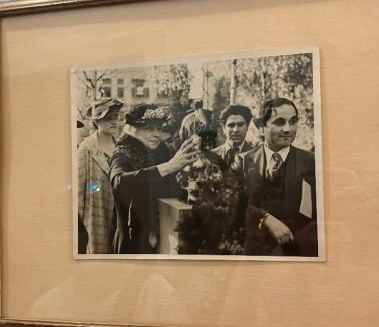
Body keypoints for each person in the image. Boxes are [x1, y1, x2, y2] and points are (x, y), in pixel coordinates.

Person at [109, 104, 200, 254]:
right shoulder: (122, 153)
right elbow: (119, 182)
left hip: (165, 238)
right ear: (131, 129)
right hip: (133, 242)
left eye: (159, 128)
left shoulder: (164, 151)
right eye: (149, 128)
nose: (157, 134)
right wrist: (168, 167)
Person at [231, 98, 317, 256]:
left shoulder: (311, 162)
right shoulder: (242, 162)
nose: (288, 129)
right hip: (253, 252)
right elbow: (234, 205)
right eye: (279, 122)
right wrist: (264, 219)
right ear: (261, 127)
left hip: (298, 251)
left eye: (292, 121)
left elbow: (320, 216)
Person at [77, 98, 123, 254]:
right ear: (96, 121)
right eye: (108, 118)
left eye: (115, 117)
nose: (114, 121)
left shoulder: (122, 146)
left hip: (121, 216)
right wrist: (99, 188)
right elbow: (80, 190)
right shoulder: (86, 148)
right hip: (97, 213)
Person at [213, 104, 255, 168]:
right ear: (224, 128)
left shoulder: (258, 156)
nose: (235, 130)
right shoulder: (212, 156)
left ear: (247, 127)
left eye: (240, 125)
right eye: (231, 125)